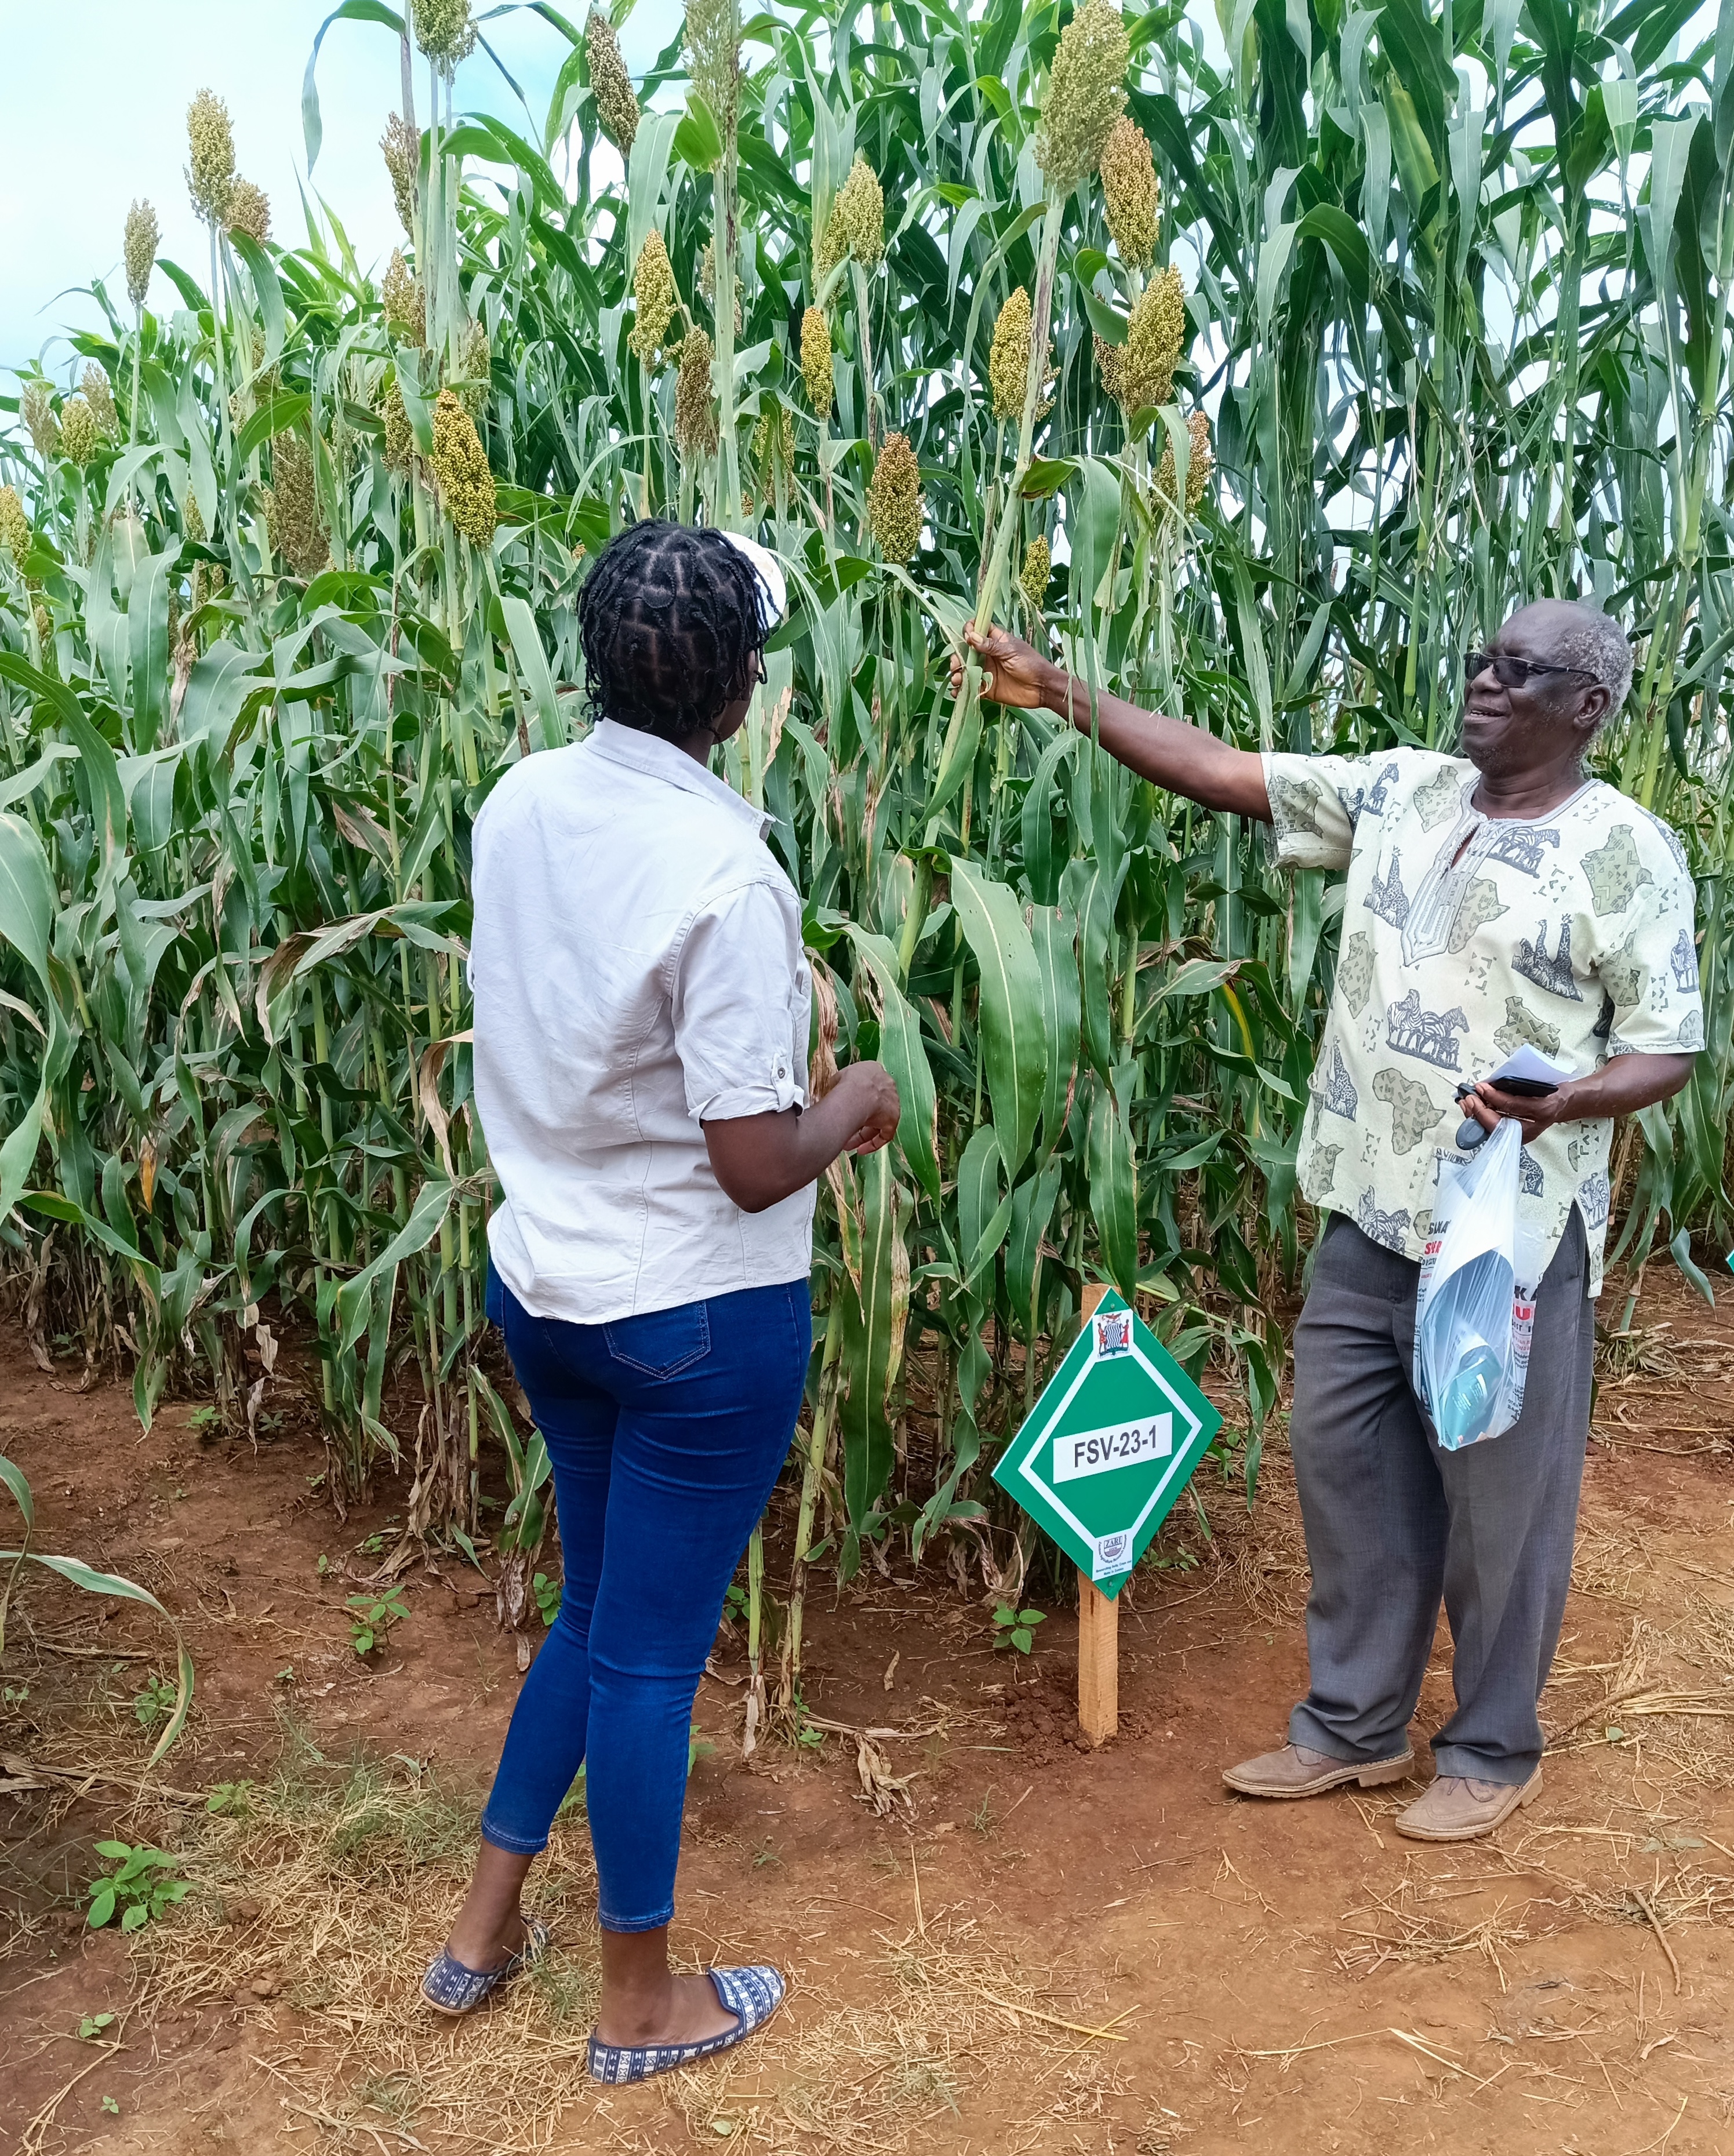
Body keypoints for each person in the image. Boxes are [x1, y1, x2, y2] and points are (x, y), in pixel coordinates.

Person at [957, 599, 1700, 1841]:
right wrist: (1059, 689)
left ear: (1586, 708)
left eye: (1516, 672)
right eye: (1480, 655)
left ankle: (1488, 1747)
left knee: (1497, 1502)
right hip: (1369, 1203)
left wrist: (1561, 1099)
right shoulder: (1403, 791)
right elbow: (1218, 771)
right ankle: (1353, 1728)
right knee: (1346, 1468)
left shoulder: (1625, 853)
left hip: (1502, 1235)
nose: (1480, 679)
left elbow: (1663, 1048)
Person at [427, 521, 900, 2077]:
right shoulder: (727, 876)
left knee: (595, 1613)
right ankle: (641, 2006)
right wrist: (857, 1102)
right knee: (648, 1656)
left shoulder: (520, 804)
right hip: (697, 1320)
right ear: (742, 689)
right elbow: (758, 1164)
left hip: (549, 1290)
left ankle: (479, 1933)